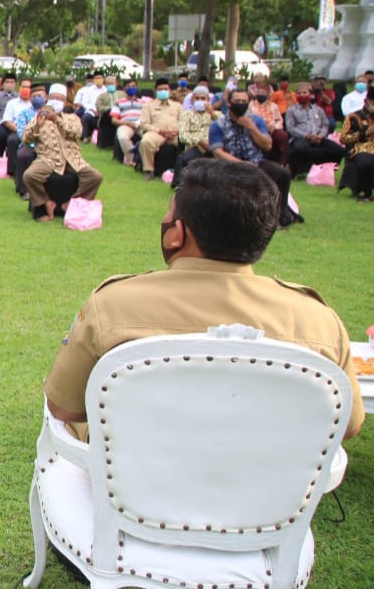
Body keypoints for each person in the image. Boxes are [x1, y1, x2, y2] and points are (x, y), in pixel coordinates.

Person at [42, 158, 364, 445]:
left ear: (177, 234)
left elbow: (63, 406)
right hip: (266, 507)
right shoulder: (318, 321)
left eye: (168, 213)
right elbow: (347, 424)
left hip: (136, 499)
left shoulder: (112, 305)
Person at [209, 88, 299, 228]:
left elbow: (267, 146)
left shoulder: (256, 121)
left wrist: (251, 128)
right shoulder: (218, 125)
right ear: (229, 103)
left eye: (244, 101)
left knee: (283, 174)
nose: (241, 104)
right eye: (237, 101)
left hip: (256, 162)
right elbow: (217, 152)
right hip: (230, 165)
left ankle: (279, 215)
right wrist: (242, 164)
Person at [22, 93, 103, 222]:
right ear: (48, 100)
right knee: (29, 175)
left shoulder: (72, 118)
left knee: (95, 177)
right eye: (53, 98)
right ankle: (45, 202)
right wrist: (37, 126)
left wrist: (57, 120)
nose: (56, 101)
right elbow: (26, 139)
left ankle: (73, 203)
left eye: (59, 99)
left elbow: (77, 132)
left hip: (72, 158)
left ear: (65, 102)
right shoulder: (38, 118)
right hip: (47, 158)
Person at [285, 86, 344, 176]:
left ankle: (327, 170)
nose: (301, 95)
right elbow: (291, 127)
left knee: (339, 150)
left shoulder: (318, 109)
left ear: (310, 95)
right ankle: (295, 170)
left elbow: (325, 124)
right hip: (301, 138)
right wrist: (307, 136)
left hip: (319, 138)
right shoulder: (291, 110)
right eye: (299, 93)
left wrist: (321, 135)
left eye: (304, 93)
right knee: (299, 149)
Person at [137, 77, 182, 180]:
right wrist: (160, 131)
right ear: (155, 91)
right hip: (157, 133)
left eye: (165, 89)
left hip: (175, 134)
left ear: (170, 91)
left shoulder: (177, 106)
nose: (163, 91)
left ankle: (182, 172)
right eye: (160, 89)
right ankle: (149, 171)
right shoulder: (148, 106)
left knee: (187, 143)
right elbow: (144, 124)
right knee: (146, 141)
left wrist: (177, 131)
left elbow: (184, 122)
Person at [174, 85, 219, 185]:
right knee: (187, 159)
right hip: (195, 147)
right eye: (197, 98)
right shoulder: (186, 115)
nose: (200, 101)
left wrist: (212, 114)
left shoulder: (217, 115)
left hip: (215, 147)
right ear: (192, 99)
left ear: (208, 100)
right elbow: (183, 136)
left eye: (203, 98)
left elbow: (225, 128)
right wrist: (200, 141)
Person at [340, 94, 374, 201]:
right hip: (361, 148)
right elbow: (344, 138)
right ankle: (366, 193)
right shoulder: (353, 117)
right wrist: (365, 133)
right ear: (366, 101)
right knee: (365, 163)